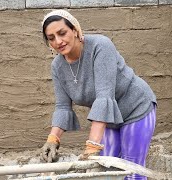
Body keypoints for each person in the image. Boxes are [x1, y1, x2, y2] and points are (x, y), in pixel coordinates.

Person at [40, 10, 156, 179]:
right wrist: (53, 139)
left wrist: (92, 147)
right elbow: (63, 106)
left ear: (75, 30)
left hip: (136, 108)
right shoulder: (57, 66)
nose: (58, 41)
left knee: (131, 169)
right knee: (106, 169)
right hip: (110, 120)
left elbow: (104, 96)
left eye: (62, 33)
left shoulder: (100, 46)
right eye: (51, 38)